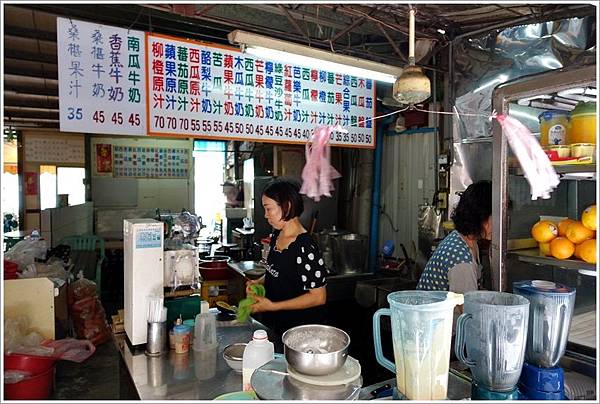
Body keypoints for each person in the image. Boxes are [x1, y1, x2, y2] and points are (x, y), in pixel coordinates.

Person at [246, 179, 328, 335]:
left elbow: (318, 297)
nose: (265, 215)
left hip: (299, 332)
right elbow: (278, 271)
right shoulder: (277, 234)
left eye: (268, 209)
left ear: (287, 206)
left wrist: (273, 306)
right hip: (276, 324)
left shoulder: (304, 245)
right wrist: (259, 281)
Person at [417, 180, 492, 294]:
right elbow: (464, 308)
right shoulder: (462, 262)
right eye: (494, 217)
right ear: (480, 217)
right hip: (434, 311)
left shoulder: (463, 239)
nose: (500, 224)